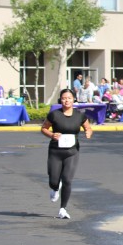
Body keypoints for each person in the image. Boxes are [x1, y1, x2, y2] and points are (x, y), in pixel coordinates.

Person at [40, 88, 93, 220]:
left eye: (69, 98)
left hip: (72, 152)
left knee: (67, 179)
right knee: (53, 180)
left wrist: (88, 132)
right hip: (55, 151)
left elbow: (88, 127)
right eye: (64, 98)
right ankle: (55, 188)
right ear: (60, 100)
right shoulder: (54, 115)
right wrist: (52, 135)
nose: (67, 100)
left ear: (73, 99)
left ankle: (63, 209)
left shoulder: (80, 115)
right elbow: (44, 128)